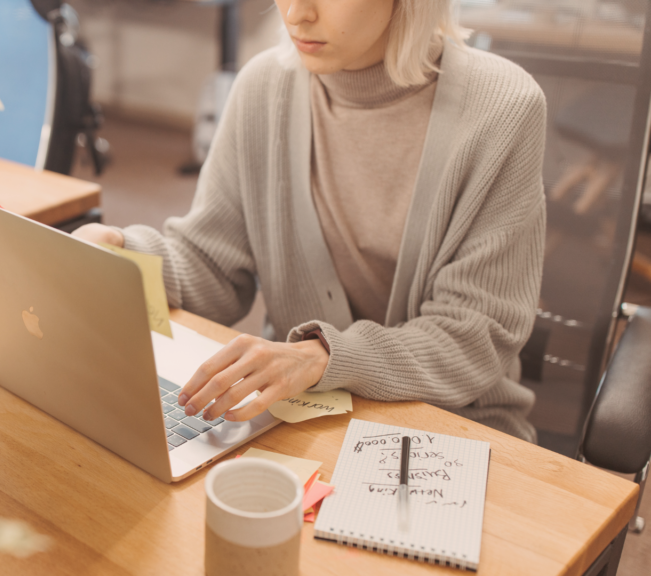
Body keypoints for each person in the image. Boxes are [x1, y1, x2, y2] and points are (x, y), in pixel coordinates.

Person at [73, 0, 546, 441]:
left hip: (452, 423)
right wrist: (124, 254)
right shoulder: (263, 87)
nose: (296, 13)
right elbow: (212, 262)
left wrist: (320, 357)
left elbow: (473, 337)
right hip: (298, 412)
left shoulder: (503, 106)